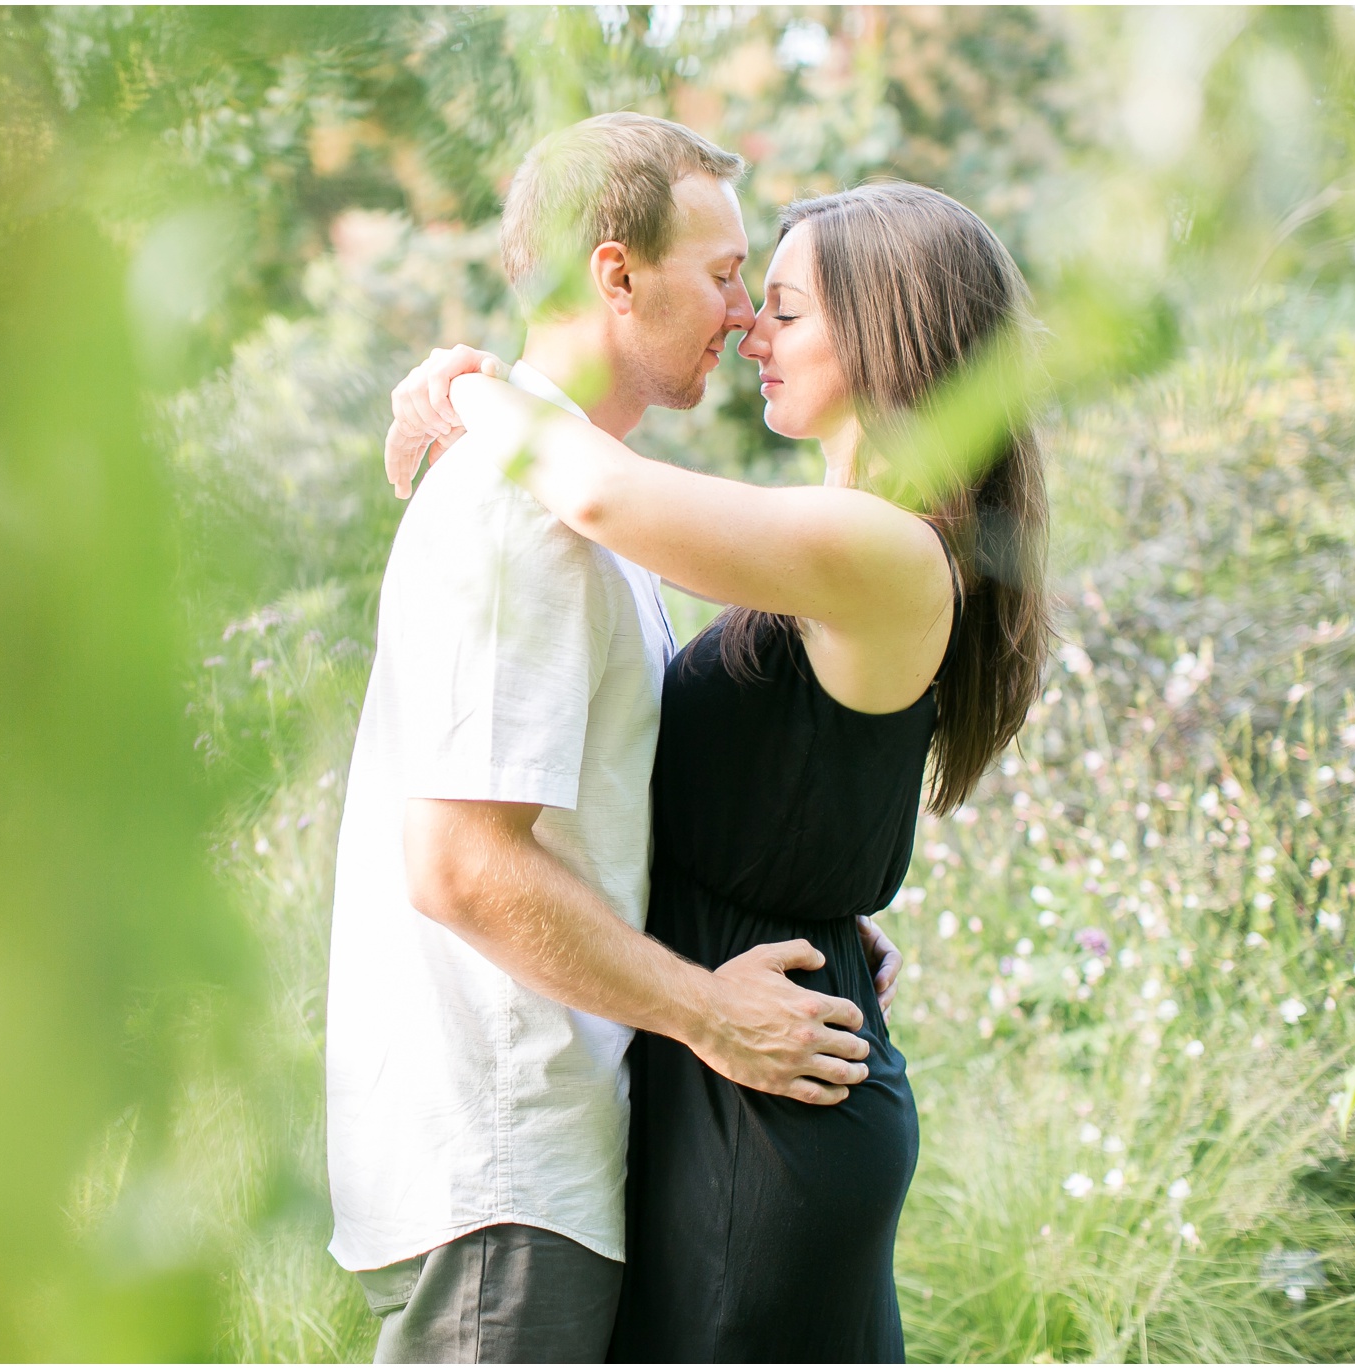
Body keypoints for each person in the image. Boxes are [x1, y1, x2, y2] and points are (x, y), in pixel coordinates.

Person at [384, 179, 1050, 1361]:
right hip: (737, 1073)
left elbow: (597, 491)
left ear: (884, 327)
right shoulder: (850, 538)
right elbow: (791, 770)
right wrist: (815, 895)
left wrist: (472, 387)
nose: (750, 328)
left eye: (783, 307)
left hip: (764, 1109)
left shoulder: (883, 547)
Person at [324, 114, 906, 1364]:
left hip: (550, 1153)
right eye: (723, 275)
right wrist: (708, 1010)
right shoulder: (513, 513)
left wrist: (790, 908)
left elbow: (598, 808)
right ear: (613, 273)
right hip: (500, 1162)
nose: (744, 314)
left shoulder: (575, 504)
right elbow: (460, 864)